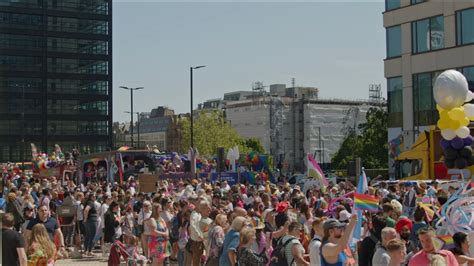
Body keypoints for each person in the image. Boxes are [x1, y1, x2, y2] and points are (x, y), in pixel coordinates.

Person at [188, 200, 211, 266]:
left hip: (203, 240)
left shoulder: (200, 215)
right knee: (196, 261)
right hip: (197, 241)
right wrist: (199, 235)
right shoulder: (194, 214)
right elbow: (193, 226)